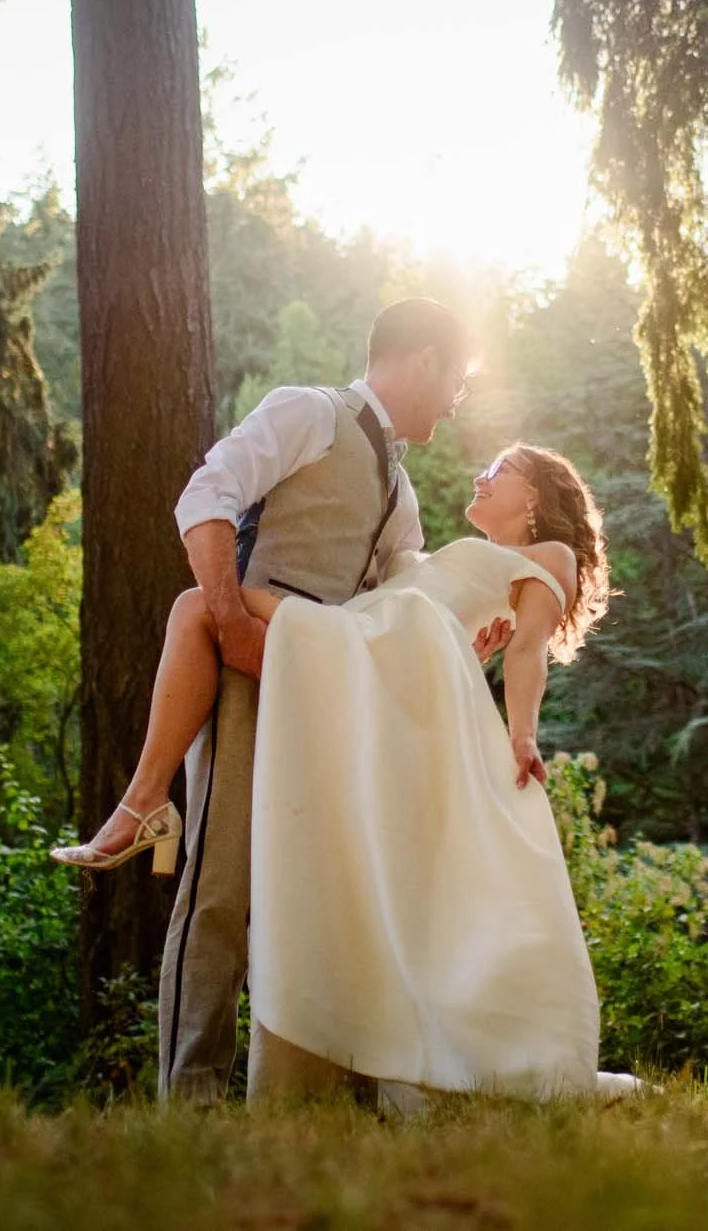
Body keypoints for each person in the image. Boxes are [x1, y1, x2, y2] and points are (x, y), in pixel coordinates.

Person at [58, 440, 622, 1101]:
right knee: (199, 609)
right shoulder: (466, 555)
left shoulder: (548, 557)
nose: (480, 475)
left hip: (374, 659)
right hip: (364, 641)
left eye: (499, 471)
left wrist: (522, 733)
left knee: (198, 607)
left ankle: (146, 803)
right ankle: (149, 799)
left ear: (533, 496)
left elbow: (527, 651)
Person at [63, 298, 475, 1106]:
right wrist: (227, 620)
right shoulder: (309, 412)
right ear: (423, 358)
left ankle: (323, 1094)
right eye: (458, 376)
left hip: (332, 713)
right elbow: (207, 495)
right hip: (249, 680)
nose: (459, 396)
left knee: (325, 901)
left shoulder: (403, 499)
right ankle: (192, 1104)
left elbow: (403, 608)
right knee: (221, 891)